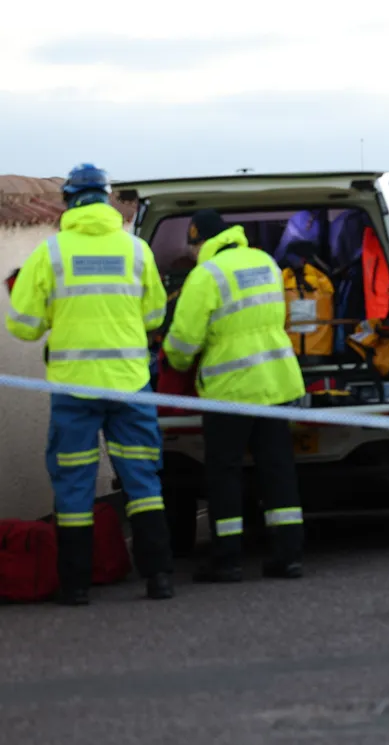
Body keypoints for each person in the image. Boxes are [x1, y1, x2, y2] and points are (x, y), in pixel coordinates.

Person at [5, 164, 174, 604]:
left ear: (68, 202)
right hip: (129, 384)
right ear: (105, 199)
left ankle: (77, 586)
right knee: (142, 480)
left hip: (74, 389)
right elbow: (155, 318)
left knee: (74, 485)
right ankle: (159, 578)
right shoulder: (137, 251)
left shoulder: (51, 253)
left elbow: (23, 326)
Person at [163, 209, 308, 582]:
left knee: (224, 474)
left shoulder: (205, 277)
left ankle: (227, 559)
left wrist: (175, 360)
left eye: (192, 246)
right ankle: (288, 555)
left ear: (200, 241)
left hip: (229, 392)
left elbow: (182, 345)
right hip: (274, 382)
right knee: (277, 470)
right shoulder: (266, 263)